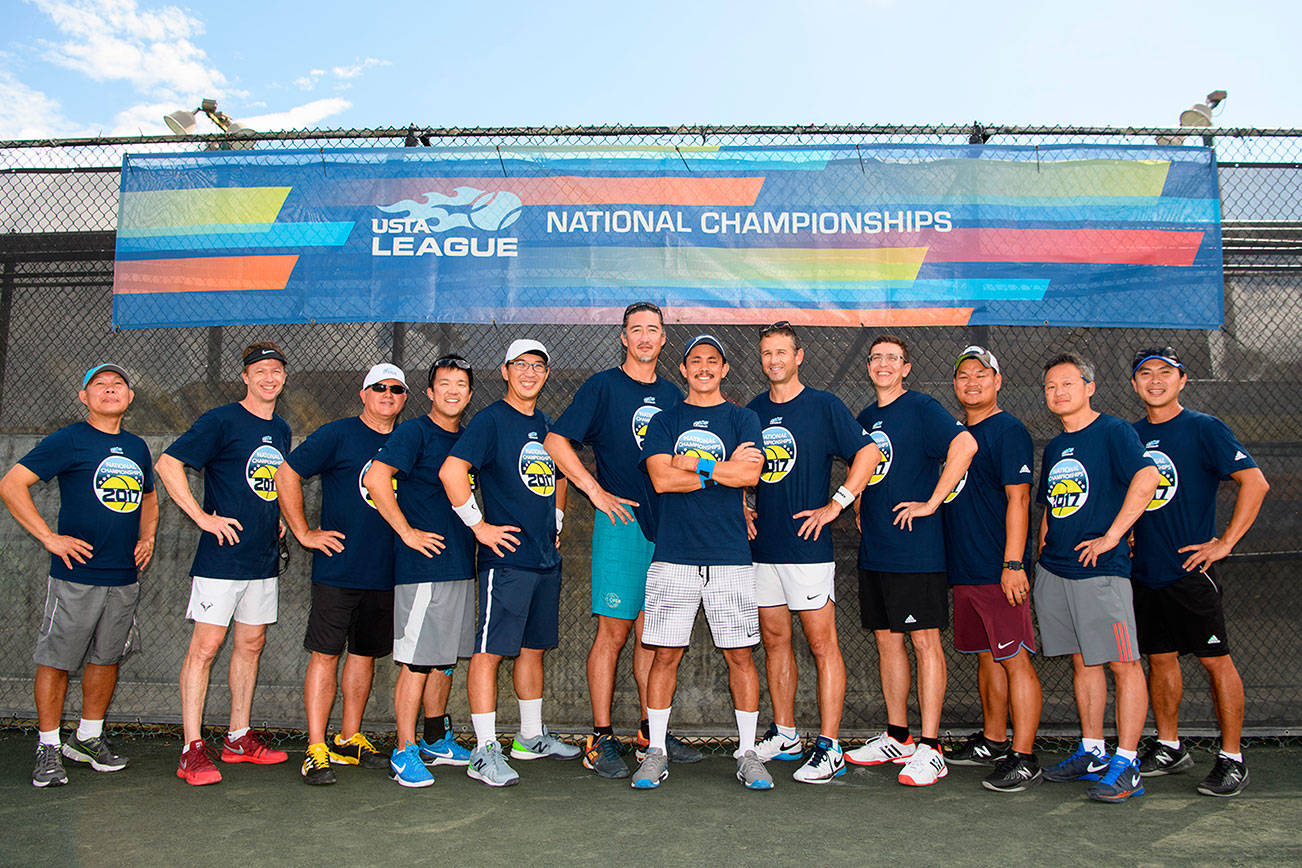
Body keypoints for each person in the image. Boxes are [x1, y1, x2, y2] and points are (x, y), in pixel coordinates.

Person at [544, 301, 700, 779]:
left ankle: (650, 731)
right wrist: (594, 491)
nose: (645, 338)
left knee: (653, 635)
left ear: (663, 339)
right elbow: (555, 441)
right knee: (613, 631)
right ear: (624, 337)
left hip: (668, 528)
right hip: (620, 525)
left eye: (653, 330)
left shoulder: (676, 395)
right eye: (637, 330)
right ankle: (600, 734)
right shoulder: (602, 387)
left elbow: (694, 459)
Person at [0, 364, 157, 788]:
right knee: (57, 660)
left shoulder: (138, 446)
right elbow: (12, 484)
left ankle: (86, 738)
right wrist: (50, 537)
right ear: (84, 397)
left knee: (106, 657)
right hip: (75, 575)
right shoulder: (69, 439)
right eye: (100, 385)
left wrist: (148, 536)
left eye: (118, 384)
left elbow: (149, 498)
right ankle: (48, 746)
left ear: (130, 397)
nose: (111, 390)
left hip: (123, 577)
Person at [633, 334, 772, 791]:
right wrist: (720, 470)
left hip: (730, 557)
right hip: (674, 557)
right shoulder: (665, 419)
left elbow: (749, 474)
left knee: (741, 656)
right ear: (684, 370)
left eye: (713, 360)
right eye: (696, 361)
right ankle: (655, 750)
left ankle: (747, 752)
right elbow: (659, 479)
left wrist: (696, 464)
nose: (705, 367)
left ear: (725, 368)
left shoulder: (743, 417)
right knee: (664, 655)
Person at [1129, 346, 1269, 797]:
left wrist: (1224, 542)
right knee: (1160, 659)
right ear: (1134, 384)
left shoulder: (1204, 428)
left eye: (1165, 373)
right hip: (1143, 573)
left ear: (1182, 380)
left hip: (1190, 571)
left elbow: (1256, 482)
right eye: (1145, 373)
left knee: (1215, 662)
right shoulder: (1129, 435)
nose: (1155, 380)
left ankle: (1232, 758)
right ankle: (1170, 746)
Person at [440, 339, 580, 788]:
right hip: (507, 561)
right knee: (490, 651)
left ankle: (531, 737)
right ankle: (484, 751)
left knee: (533, 648)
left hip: (544, 558)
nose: (529, 372)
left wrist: (556, 519)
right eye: (521, 365)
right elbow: (451, 472)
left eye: (538, 365)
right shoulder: (491, 420)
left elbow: (561, 475)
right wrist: (478, 526)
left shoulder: (547, 425)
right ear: (504, 371)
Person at [744, 322, 880, 784]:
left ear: (799, 356)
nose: (775, 360)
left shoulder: (824, 406)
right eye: (767, 352)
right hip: (764, 550)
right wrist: (742, 506)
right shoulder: (753, 411)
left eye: (782, 351)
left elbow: (867, 455)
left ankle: (830, 745)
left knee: (823, 646)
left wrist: (837, 504)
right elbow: (738, 468)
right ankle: (785, 734)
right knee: (776, 641)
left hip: (808, 550)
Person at [155, 342, 292, 785]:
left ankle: (237, 738)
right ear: (245, 377)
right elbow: (168, 463)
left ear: (283, 378)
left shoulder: (283, 429)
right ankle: (192, 749)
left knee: (251, 645)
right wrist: (201, 517)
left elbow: (270, 485)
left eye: (276, 370)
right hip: (221, 560)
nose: (269, 378)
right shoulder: (221, 420)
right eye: (260, 371)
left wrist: (281, 520)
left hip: (263, 560)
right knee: (206, 648)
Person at [846, 334, 976, 787]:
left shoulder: (921, 408)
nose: (883, 364)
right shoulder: (865, 418)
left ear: (906, 368)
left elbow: (965, 447)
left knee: (924, 643)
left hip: (915, 549)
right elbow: (861, 471)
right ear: (869, 366)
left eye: (892, 359)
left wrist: (932, 502)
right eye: (876, 357)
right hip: (876, 550)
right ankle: (897, 736)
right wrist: (860, 503)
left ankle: (931, 746)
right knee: (887, 641)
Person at [277, 363, 409, 785]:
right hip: (338, 567)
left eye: (396, 389)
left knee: (364, 654)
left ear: (405, 398)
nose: (388, 395)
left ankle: (348, 737)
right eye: (379, 388)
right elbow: (286, 473)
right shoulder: (339, 434)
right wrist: (303, 532)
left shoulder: (409, 440)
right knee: (326, 653)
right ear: (363, 393)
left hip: (386, 571)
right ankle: (316, 747)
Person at [1036, 352, 1159, 804]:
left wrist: (1112, 536)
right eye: (1050, 386)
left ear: (1089, 387)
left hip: (1101, 573)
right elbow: (1051, 507)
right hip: (1057, 571)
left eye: (1067, 383)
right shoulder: (1054, 446)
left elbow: (1146, 480)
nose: (1058, 392)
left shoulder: (1114, 432)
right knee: (1083, 661)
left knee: (1123, 664)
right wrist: (1042, 558)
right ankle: (1093, 752)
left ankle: (1127, 764)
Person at [366, 355, 478, 788]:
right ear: (430, 393)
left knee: (443, 661)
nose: (453, 390)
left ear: (469, 394)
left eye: (461, 384)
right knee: (415, 662)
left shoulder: (468, 438)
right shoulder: (414, 431)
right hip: (421, 568)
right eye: (444, 383)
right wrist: (408, 532)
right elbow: (377, 480)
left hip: (459, 565)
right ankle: (403, 750)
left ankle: (435, 738)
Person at [941, 346, 1043, 793]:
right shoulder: (958, 434)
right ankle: (994, 739)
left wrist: (1014, 563)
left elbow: (1019, 500)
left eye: (980, 375)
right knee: (988, 657)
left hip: (998, 568)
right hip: (965, 569)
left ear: (997, 381)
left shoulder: (1009, 430)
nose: (972, 382)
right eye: (963, 376)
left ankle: (1024, 757)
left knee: (1015, 659)